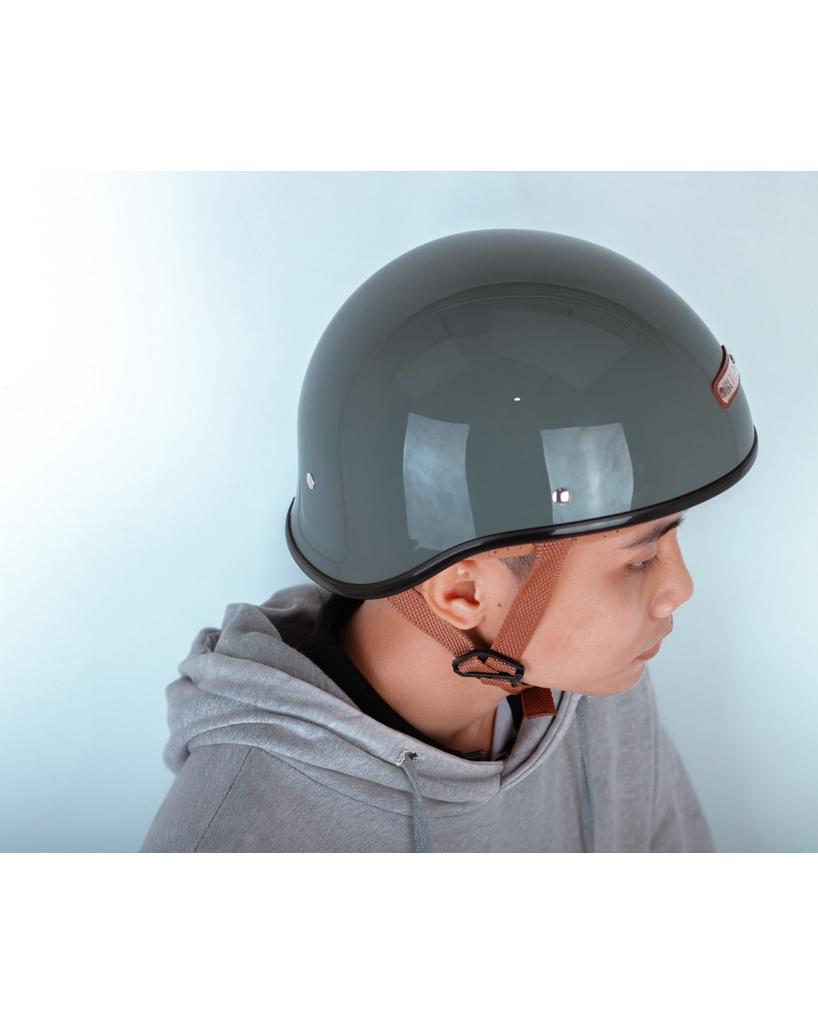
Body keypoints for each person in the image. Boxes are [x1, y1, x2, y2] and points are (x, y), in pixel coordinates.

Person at [140, 227, 758, 852]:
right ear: (462, 593)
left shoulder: (591, 687)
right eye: (642, 558)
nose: (680, 588)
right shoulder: (239, 835)